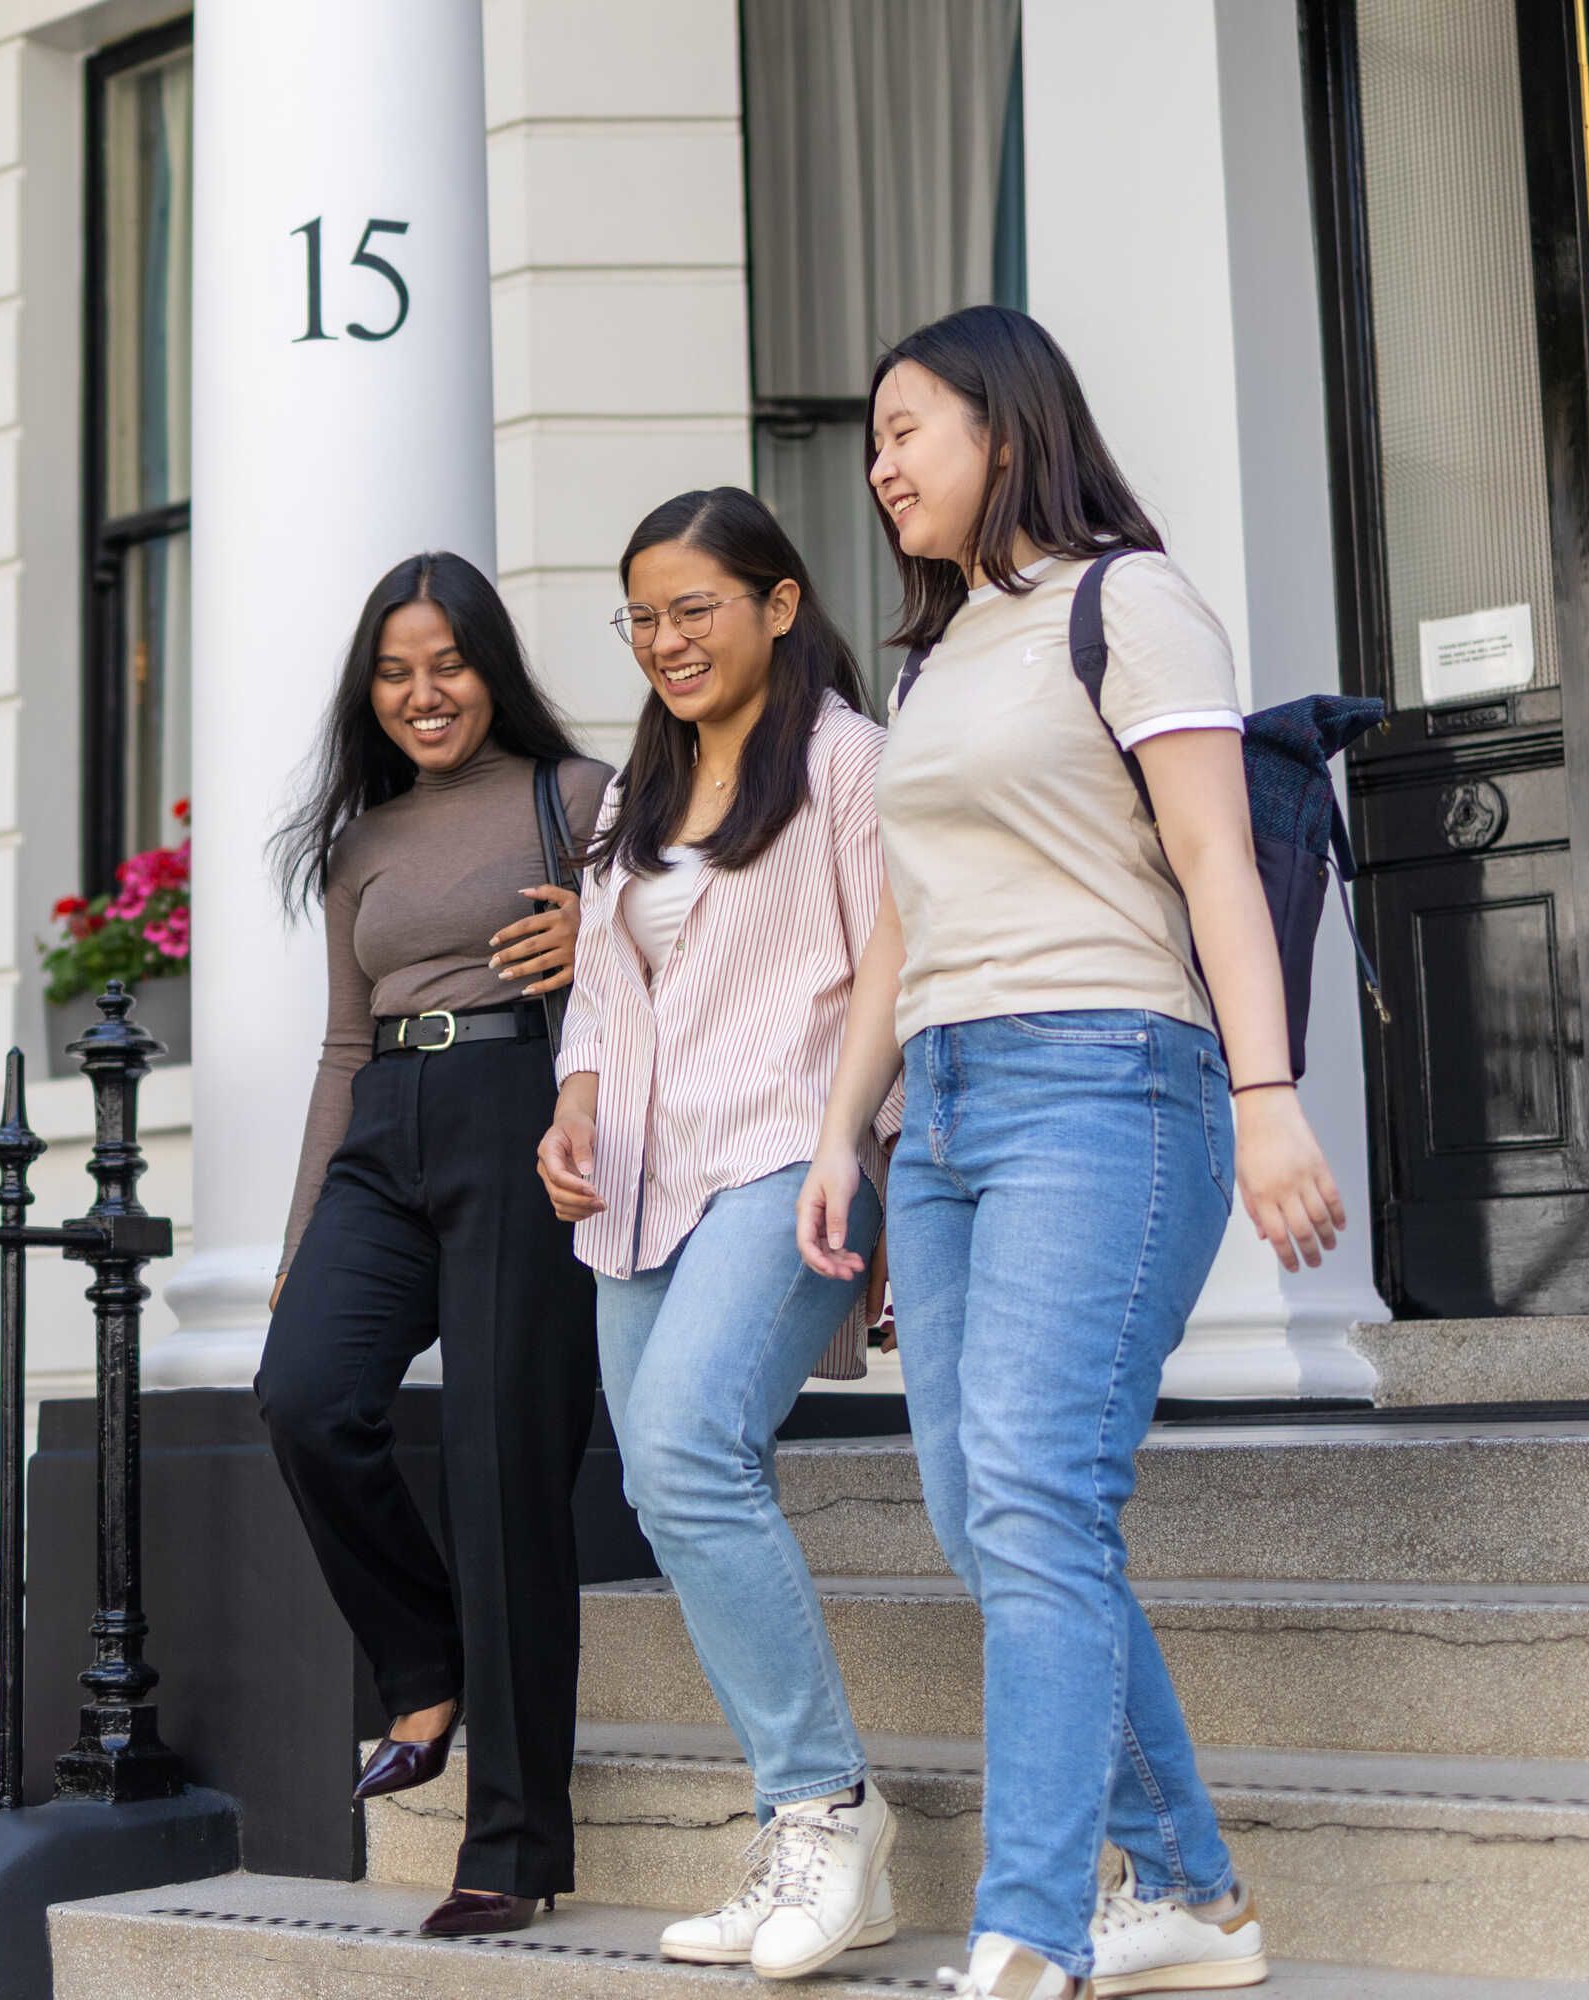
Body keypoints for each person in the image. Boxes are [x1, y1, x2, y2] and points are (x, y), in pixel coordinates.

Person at [800, 304, 1339, 2000]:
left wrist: (1270, 1098)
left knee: (1036, 1495)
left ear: (1007, 426)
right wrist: (843, 1129)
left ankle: (1029, 1927)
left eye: (906, 429)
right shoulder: (936, 650)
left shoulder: (1132, 603)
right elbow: (904, 921)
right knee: (985, 1512)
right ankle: (1190, 1890)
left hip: (1111, 1077)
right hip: (950, 1106)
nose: (880, 464)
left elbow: (1216, 862)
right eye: (874, 440)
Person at [534, 486, 906, 1982]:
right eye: (641, 617)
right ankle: (799, 1826)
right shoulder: (642, 788)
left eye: (694, 608)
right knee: (666, 1481)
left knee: (688, 1447)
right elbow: (603, 988)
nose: (665, 641)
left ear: (778, 602)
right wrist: (572, 1107)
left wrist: (852, 1150)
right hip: (638, 1174)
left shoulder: (847, 764)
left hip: (786, 1147)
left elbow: (899, 958)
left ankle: (827, 1809)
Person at [255, 549, 615, 1938]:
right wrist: (299, 1234)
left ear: (490, 666)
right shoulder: (362, 843)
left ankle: (511, 1850)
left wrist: (605, 934)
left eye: (446, 664)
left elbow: (673, 952)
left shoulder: (574, 799)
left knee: (500, 1470)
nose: (423, 694)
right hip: (387, 1127)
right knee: (303, 1394)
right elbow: (344, 1043)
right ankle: (425, 1659)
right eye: (396, 673)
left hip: (522, 1113)